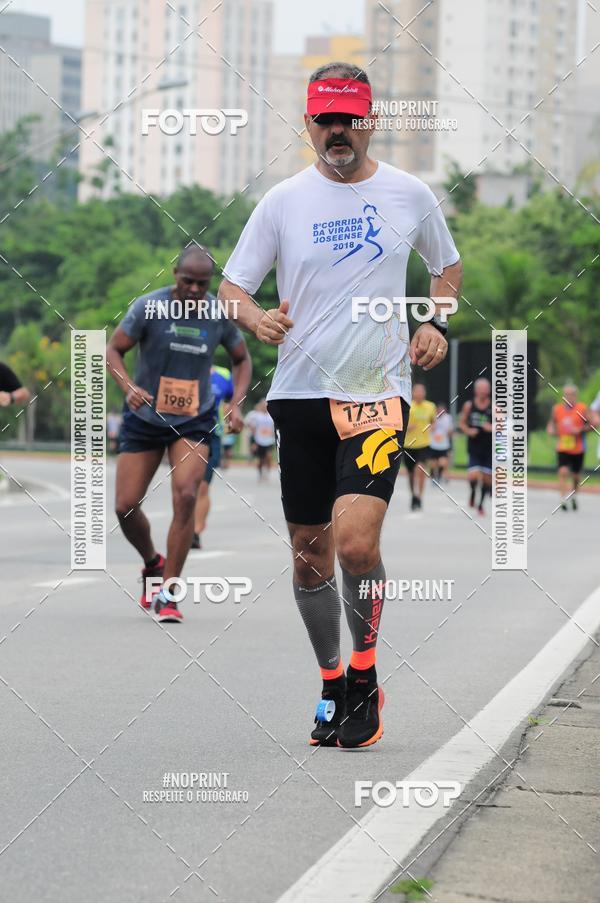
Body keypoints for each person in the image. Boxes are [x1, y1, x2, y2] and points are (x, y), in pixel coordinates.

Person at [219, 62, 462, 748]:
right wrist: (254, 318)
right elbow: (234, 287)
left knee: (356, 543)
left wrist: (433, 322)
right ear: (308, 124)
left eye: (349, 118)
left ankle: (364, 672)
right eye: (325, 118)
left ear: (369, 120)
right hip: (298, 396)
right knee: (308, 556)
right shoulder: (282, 202)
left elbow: (447, 269)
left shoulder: (409, 193)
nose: (337, 130)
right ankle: (330, 678)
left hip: (376, 397)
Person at [106, 244, 251, 622]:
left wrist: (236, 404)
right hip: (145, 417)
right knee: (124, 506)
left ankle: (169, 594)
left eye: (202, 284)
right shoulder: (148, 307)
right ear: (175, 274)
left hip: (193, 420)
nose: (194, 290)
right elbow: (113, 350)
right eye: (188, 281)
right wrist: (128, 387)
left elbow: (242, 360)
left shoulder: (216, 315)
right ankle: (153, 563)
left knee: (186, 495)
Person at [191, 365, 234, 549]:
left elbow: (231, 402)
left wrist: (232, 417)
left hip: (212, 435)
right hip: (186, 433)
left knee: (202, 486)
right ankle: (185, 527)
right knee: (185, 487)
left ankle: (195, 532)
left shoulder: (224, 375)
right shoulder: (185, 366)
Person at [546, 384, 591, 511]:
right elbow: (552, 423)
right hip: (563, 447)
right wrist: (550, 429)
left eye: (571, 394)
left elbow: (591, 426)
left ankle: (574, 496)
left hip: (578, 448)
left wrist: (580, 430)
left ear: (575, 396)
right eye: (566, 394)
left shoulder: (582, 409)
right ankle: (562, 498)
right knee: (563, 471)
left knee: (576, 476)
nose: (568, 397)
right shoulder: (557, 409)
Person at [460, 378, 493, 515]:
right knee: (473, 476)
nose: (483, 392)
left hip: (489, 448)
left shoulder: (495, 407)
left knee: (486, 479)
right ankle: (473, 492)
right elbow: (462, 423)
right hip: (474, 446)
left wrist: (492, 427)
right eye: (481, 389)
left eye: (486, 389)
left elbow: (503, 425)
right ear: (476, 391)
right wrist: (468, 431)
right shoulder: (469, 406)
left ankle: (480, 505)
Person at [404, 383, 436, 510]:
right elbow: (400, 423)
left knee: (421, 470)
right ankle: (413, 495)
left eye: (421, 391)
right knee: (411, 474)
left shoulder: (430, 406)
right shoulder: (408, 406)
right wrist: (407, 427)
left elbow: (433, 421)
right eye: (417, 391)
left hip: (424, 443)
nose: (419, 394)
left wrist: (432, 427)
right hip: (409, 444)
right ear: (412, 393)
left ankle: (420, 497)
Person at [248, 399, 275, 480]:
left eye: (266, 405)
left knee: (269, 456)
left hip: (269, 440)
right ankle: (260, 473)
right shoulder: (256, 416)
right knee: (260, 459)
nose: (264, 406)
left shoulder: (271, 415)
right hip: (259, 440)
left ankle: (267, 473)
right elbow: (252, 427)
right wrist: (253, 441)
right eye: (263, 405)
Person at [429, 401, 454, 484]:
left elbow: (450, 431)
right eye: (438, 410)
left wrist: (450, 433)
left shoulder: (448, 418)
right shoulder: (432, 418)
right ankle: (433, 476)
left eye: (442, 411)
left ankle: (438, 478)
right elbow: (428, 429)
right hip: (433, 444)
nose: (440, 412)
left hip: (443, 445)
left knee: (442, 463)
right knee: (432, 464)